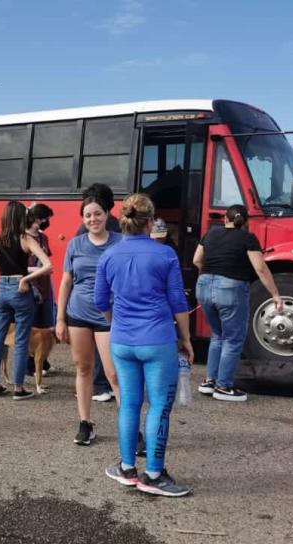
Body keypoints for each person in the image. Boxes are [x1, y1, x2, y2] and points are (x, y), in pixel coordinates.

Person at [97, 193, 193, 497]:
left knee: (129, 404)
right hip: (157, 340)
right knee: (159, 407)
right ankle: (153, 474)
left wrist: (117, 322)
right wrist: (187, 340)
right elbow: (178, 301)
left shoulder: (109, 255)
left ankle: (127, 468)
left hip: (122, 341)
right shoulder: (165, 255)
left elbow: (101, 301)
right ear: (150, 222)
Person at [193, 204, 282, 402]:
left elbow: (196, 260)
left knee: (217, 335)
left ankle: (209, 381)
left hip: (204, 285)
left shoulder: (211, 234)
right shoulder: (248, 238)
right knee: (233, 340)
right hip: (231, 289)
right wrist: (275, 294)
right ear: (246, 222)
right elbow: (260, 269)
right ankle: (224, 386)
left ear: (226, 219)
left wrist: (210, 277)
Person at [55, 193, 122, 445]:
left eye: (97, 213)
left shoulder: (120, 242)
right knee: (83, 369)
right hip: (78, 315)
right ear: (83, 219)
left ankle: (130, 428)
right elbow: (66, 282)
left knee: (114, 374)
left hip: (109, 317)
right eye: (87, 215)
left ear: (106, 214)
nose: (93, 219)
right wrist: (60, 319)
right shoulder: (75, 244)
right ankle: (85, 423)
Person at [0, 201, 52, 400]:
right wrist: (25, 278)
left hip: (2, 290)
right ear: (19, 218)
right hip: (20, 290)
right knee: (22, 339)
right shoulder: (26, 239)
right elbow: (47, 265)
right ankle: (18, 388)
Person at [75, 183, 120, 402]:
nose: (92, 218)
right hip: (108, 303)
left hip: (87, 304)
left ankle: (100, 384)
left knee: (90, 358)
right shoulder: (118, 227)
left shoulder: (85, 231)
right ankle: (102, 384)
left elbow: (70, 278)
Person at [25, 203, 55, 377]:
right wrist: (37, 270)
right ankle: (30, 365)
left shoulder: (43, 239)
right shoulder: (23, 238)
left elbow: (46, 260)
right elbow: (21, 266)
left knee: (45, 327)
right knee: (32, 328)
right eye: (45, 218)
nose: (46, 221)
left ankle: (41, 361)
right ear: (36, 218)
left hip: (45, 288)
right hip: (31, 288)